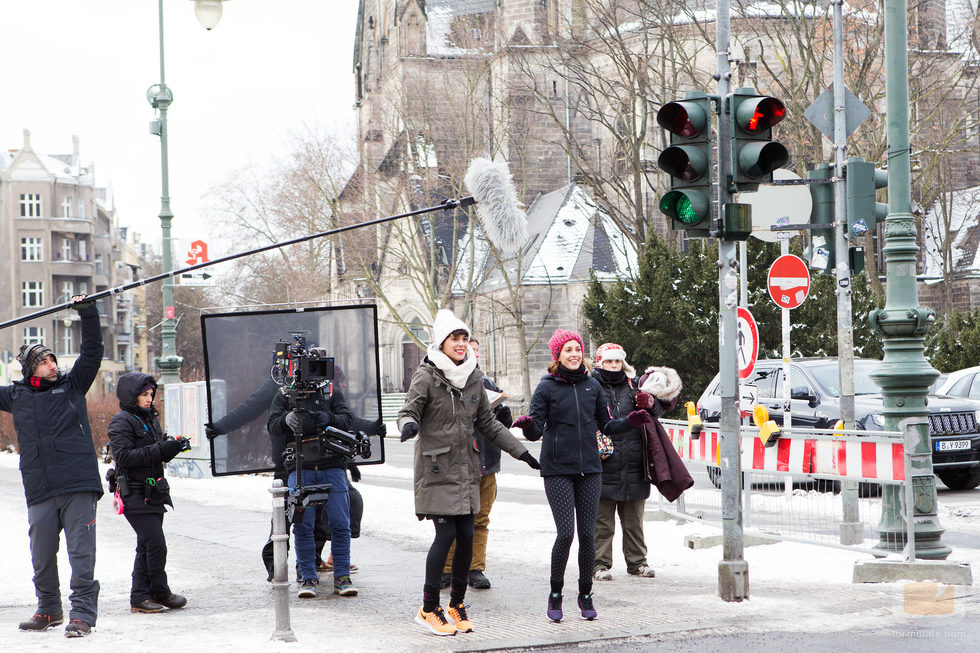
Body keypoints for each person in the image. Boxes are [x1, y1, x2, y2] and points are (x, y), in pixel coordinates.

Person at [397, 309, 540, 636]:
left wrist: (522, 452)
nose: (461, 344)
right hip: (436, 469)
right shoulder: (427, 375)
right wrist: (408, 425)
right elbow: (409, 410)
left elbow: (487, 423)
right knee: (445, 535)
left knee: (466, 536)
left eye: (464, 338)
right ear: (442, 342)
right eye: (454, 339)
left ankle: (456, 604)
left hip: (465, 469)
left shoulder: (473, 375)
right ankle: (429, 607)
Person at [512, 329, 652, 623]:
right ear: (557, 356)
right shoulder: (546, 388)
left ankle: (585, 594)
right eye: (568, 350)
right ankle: (555, 593)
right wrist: (526, 425)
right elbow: (537, 429)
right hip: (558, 470)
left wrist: (631, 421)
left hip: (590, 468)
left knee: (588, 535)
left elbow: (608, 425)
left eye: (578, 349)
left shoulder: (592, 387)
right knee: (565, 534)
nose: (574, 354)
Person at [0, 295, 103, 638]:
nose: (52, 365)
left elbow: (91, 352)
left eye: (52, 359)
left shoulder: (72, 387)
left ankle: (82, 614)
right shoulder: (16, 397)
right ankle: (49, 609)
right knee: (42, 556)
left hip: (78, 484)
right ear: (31, 369)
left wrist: (87, 312)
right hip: (40, 487)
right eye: (44, 362)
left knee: (80, 554)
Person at [267, 368, 358, 599]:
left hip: (332, 465)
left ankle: (343, 577)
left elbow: (348, 420)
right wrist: (287, 419)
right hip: (300, 466)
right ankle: (308, 577)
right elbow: (272, 425)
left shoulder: (331, 393)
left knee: (340, 523)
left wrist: (330, 419)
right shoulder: (285, 395)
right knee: (303, 525)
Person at [590, 343, 677, 581]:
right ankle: (599, 564)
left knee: (634, 522)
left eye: (617, 361)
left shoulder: (636, 385)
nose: (613, 365)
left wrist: (650, 404)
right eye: (608, 362)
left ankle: (637, 563)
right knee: (602, 523)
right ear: (600, 363)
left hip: (634, 461)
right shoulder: (591, 386)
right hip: (603, 462)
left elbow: (658, 409)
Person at [107, 372, 188, 614]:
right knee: (155, 544)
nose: (149, 399)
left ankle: (141, 596)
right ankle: (159, 591)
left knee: (145, 545)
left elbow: (155, 453)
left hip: (153, 491)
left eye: (151, 394)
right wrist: (158, 448)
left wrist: (172, 447)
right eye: (144, 394)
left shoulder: (150, 418)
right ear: (132, 395)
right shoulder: (121, 421)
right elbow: (123, 457)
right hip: (134, 493)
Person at [440, 336, 512, 591]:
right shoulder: (443, 379)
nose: (473, 354)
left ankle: (475, 568)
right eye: (469, 349)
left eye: (477, 351)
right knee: (451, 518)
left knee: (480, 519)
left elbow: (502, 426)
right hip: (456, 463)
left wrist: (504, 415)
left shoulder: (487, 382)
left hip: (486, 461)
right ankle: (447, 569)